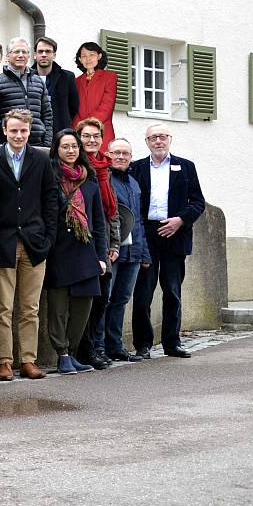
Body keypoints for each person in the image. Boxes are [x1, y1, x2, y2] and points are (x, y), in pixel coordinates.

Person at [0, 109, 59, 380]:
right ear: (5, 130)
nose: (18, 135)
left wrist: (48, 237)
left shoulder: (40, 159)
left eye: (23, 131)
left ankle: (28, 359)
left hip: (34, 243)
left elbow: (51, 199)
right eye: (14, 130)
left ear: (29, 132)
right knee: (3, 307)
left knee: (31, 307)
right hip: (4, 242)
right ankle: (4, 361)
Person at [130, 123, 205, 358]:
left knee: (172, 291)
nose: (158, 141)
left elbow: (198, 202)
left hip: (175, 233)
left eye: (162, 137)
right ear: (147, 142)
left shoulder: (185, 167)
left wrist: (181, 220)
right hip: (147, 234)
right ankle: (143, 344)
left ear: (170, 139)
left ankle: (172, 343)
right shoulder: (137, 168)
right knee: (143, 292)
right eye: (153, 138)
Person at [44, 129, 109, 374]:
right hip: (59, 251)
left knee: (83, 307)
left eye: (74, 146)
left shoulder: (90, 181)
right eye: (65, 147)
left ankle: (72, 352)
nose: (71, 151)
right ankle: (61, 354)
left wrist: (102, 257)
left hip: (86, 253)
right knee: (58, 308)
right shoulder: (50, 177)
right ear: (57, 150)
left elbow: (99, 223)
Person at [74, 117, 121, 369]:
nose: (91, 140)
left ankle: (94, 346)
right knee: (87, 299)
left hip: (104, 242)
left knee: (102, 299)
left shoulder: (105, 168)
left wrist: (114, 245)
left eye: (96, 136)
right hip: (85, 242)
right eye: (86, 136)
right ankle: (86, 350)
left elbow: (111, 211)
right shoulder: (78, 168)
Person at [103, 137, 151, 361]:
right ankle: (99, 346)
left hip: (133, 252)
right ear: (108, 154)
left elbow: (139, 220)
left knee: (121, 299)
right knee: (106, 298)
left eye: (125, 153)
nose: (121, 157)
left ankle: (115, 345)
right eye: (116, 152)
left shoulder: (134, 183)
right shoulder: (105, 179)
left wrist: (144, 252)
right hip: (113, 250)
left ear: (131, 157)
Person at [0, 37, 53, 146]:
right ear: (8, 56)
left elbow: (47, 115)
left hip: (37, 144)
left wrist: (47, 143)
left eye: (24, 52)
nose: (20, 55)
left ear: (29, 56)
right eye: (16, 51)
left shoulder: (38, 82)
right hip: (6, 145)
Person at [74, 41, 118, 152]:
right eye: (84, 56)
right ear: (80, 60)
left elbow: (107, 106)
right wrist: (79, 128)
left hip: (102, 129)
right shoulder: (76, 81)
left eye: (91, 55)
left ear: (99, 56)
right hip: (80, 132)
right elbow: (74, 107)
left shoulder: (110, 77)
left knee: (102, 164)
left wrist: (88, 124)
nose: (88, 59)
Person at [34, 36, 79, 142]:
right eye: (40, 51)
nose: (44, 55)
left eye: (48, 51)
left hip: (59, 133)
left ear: (54, 55)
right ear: (35, 55)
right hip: (34, 133)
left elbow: (73, 106)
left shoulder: (67, 77)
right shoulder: (26, 77)